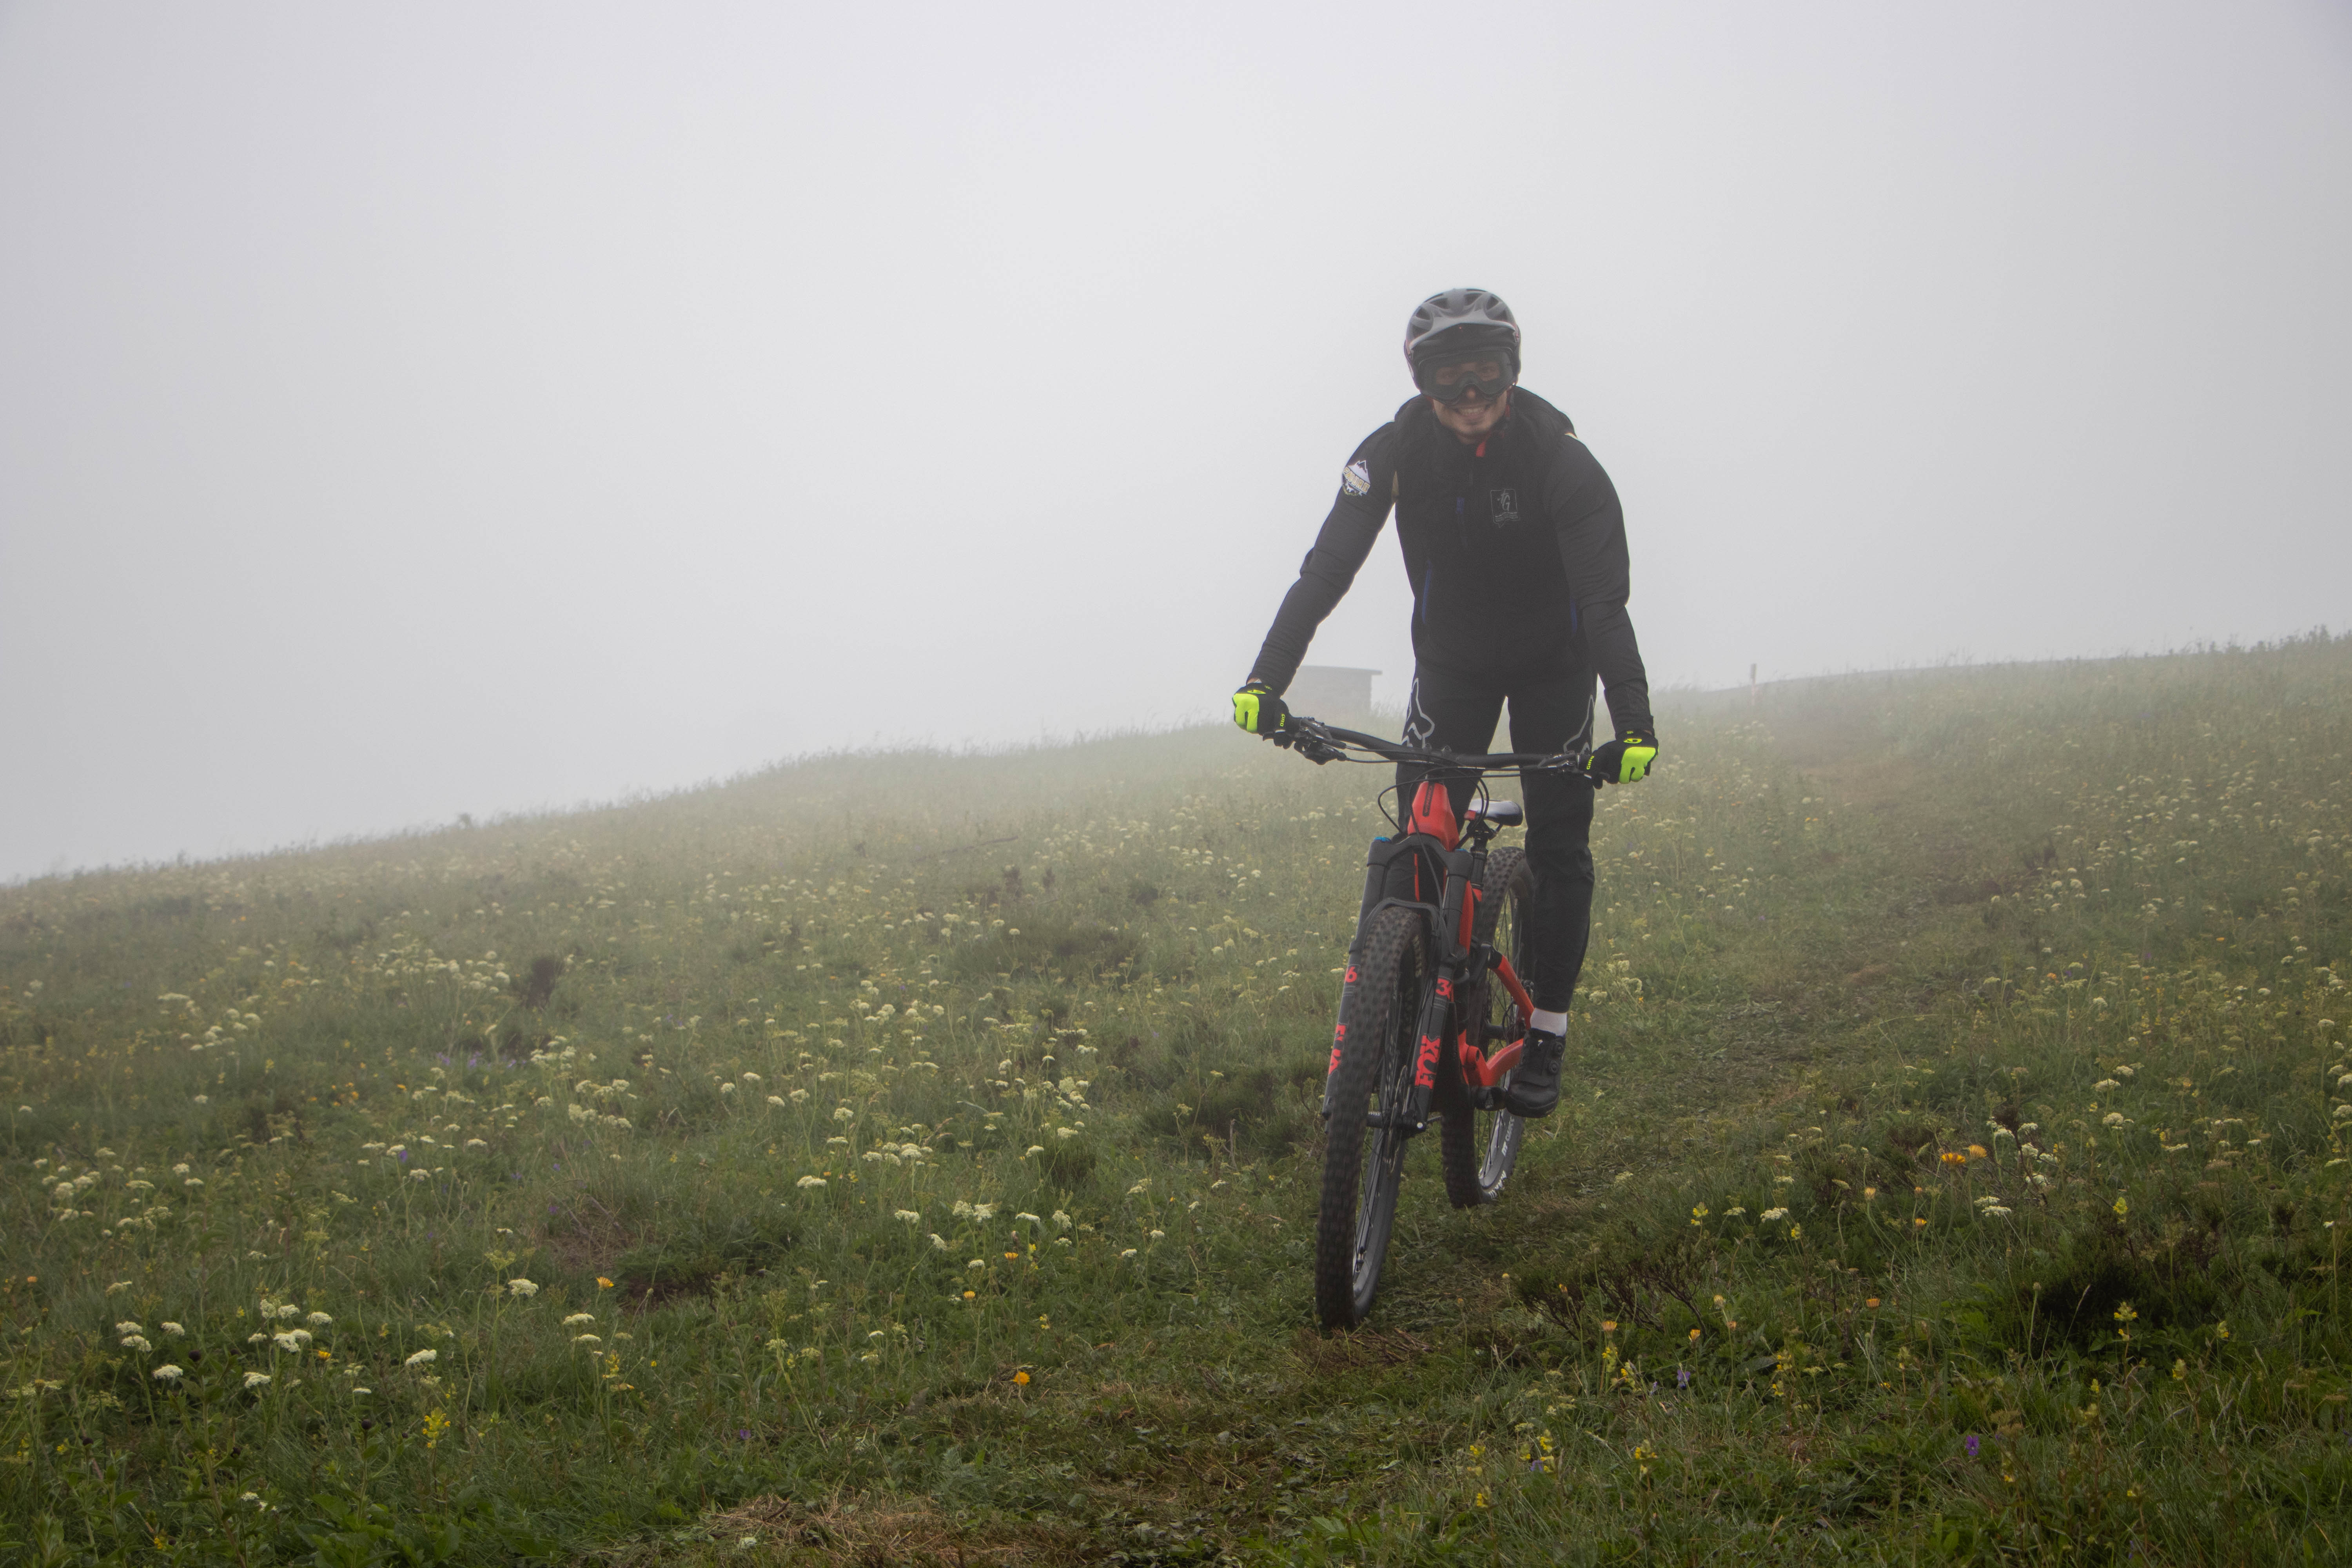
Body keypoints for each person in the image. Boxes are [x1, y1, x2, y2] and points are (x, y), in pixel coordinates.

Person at [1229, 288, 1657, 1119]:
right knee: (1415, 842)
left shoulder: (1561, 461)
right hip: (1454, 666)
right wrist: (1265, 680)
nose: (1469, 393)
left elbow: (1604, 603)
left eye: (1486, 371)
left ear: (1512, 371)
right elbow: (1326, 571)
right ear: (1420, 380)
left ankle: (1547, 1031)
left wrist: (1633, 722)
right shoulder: (1394, 453)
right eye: (1448, 375)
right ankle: (1388, 1015)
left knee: (1561, 842)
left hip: (1553, 666)